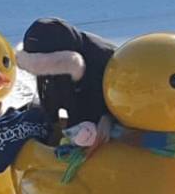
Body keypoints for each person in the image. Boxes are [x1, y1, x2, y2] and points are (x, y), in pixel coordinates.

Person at [16, 17, 117, 146]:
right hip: (81, 122)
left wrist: (109, 116)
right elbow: (50, 95)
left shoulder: (105, 59)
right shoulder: (48, 56)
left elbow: (126, 95)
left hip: (110, 111)